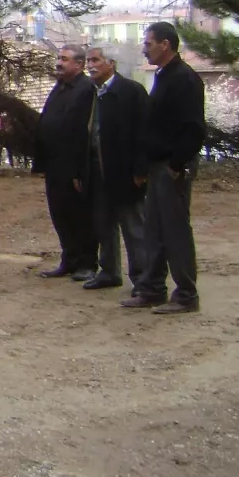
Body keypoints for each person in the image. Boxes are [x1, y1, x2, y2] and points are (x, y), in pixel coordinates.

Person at [121, 22, 206, 314]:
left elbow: (193, 128)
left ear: (165, 44)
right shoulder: (164, 76)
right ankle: (152, 289)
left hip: (172, 167)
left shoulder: (184, 79)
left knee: (175, 231)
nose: (144, 49)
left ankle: (186, 296)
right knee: (154, 230)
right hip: (158, 165)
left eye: (148, 43)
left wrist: (176, 164)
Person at [82, 46, 149, 292]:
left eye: (96, 60)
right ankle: (109, 271)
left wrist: (141, 170)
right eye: (88, 60)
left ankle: (143, 280)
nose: (91, 65)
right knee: (103, 223)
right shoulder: (92, 93)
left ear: (111, 63)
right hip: (98, 172)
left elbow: (143, 134)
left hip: (125, 173)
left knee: (134, 227)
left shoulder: (130, 91)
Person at [33, 44, 96, 281]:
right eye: (59, 58)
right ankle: (69, 260)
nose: (59, 63)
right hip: (54, 165)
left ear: (79, 65)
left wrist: (80, 171)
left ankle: (87, 263)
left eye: (65, 59)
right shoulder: (60, 87)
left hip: (74, 168)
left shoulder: (86, 89)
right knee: (60, 215)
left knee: (80, 217)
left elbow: (84, 133)